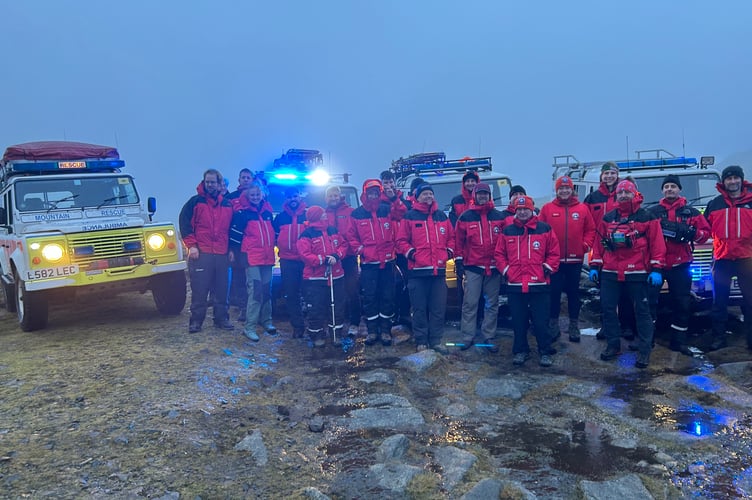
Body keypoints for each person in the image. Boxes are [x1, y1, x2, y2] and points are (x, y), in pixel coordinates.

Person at [589, 180, 666, 368]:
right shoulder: (608, 218)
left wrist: (656, 269)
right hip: (610, 272)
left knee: (642, 312)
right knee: (608, 309)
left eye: (627, 192)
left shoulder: (647, 217)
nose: (623, 195)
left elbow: (657, 244)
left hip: (638, 272)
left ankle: (645, 350)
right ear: (616, 196)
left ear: (635, 194)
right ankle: (613, 345)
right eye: (620, 192)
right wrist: (594, 265)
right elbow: (599, 244)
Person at [646, 174, 711, 354]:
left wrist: (691, 232)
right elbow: (643, 233)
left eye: (673, 186)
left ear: (679, 189)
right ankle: (647, 339)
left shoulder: (692, 213)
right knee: (650, 302)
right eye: (666, 186)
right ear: (662, 190)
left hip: (681, 265)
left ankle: (679, 342)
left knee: (682, 304)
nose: (669, 189)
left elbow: (705, 234)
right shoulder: (652, 212)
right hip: (656, 265)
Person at [494, 195, 560, 367]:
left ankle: (545, 351)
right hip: (515, 284)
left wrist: (547, 268)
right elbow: (499, 254)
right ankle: (521, 350)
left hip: (539, 284)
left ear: (532, 210)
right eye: (519, 209)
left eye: (526, 209)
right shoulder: (507, 231)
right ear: (515, 211)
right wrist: (506, 270)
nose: (523, 212)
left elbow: (554, 252)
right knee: (518, 320)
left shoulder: (544, 228)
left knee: (541, 321)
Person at [396, 183, 455, 353]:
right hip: (417, 272)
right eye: (424, 194)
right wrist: (412, 254)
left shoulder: (441, 216)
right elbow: (401, 241)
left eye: (430, 194)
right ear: (417, 197)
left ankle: (436, 340)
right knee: (419, 308)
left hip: (438, 271)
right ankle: (421, 340)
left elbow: (451, 238)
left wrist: (448, 253)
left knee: (438, 308)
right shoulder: (409, 216)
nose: (428, 197)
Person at [539, 175, 596, 343]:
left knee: (573, 293)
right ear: (557, 191)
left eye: (567, 188)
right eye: (561, 189)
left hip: (574, 260)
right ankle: (553, 325)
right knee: (554, 293)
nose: (564, 191)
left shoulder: (582, 209)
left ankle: (573, 325)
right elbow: (540, 231)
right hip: (554, 261)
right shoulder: (547, 209)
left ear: (572, 190)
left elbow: (591, 230)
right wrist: (545, 253)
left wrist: (584, 246)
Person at [179, 169, 235, 333]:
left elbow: (231, 229)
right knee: (199, 290)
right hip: (201, 253)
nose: (210, 184)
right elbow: (185, 224)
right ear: (204, 182)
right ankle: (196, 321)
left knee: (222, 289)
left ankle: (221, 319)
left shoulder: (227, 205)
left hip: (222, 253)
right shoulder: (194, 202)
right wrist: (192, 246)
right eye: (207, 182)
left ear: (219, 184)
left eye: (213, 182)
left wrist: (231, 249)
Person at [704, 165, 752, 351]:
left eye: (735, 178)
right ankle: (719, 339)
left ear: (741, 180)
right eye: (729, 179)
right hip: (722, 259)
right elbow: (704, 230)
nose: (732, 182)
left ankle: (750, 340)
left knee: (749, 302)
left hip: (746, 260)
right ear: (723, 182)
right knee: (719, 303)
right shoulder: (715, 204)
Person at [454, 183, 506, 352]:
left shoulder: (499, 216)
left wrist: (504, 263)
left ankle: (488, 335)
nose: (483, 196)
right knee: (470, 303)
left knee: (492, 304)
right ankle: (467, 336)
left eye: (486, 194)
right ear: (474, 195)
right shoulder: (465, 217)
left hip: (493, 268)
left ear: (490, 196)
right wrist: (459, 261)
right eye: (480, 194)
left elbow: (505, 242)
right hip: (473, 266)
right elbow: (458, 242)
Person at [348, 179, 398, 346]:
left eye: (376, 192)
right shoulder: (357, 214)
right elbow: (351, 237)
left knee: (387, 296)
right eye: (370, 192)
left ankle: (385, 330)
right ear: (365, 194)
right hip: (369, 263)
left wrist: (393, 198)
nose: (373, 195)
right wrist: (361, 250)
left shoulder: (387, 208)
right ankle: (372, 331)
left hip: (388, 261)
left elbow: (400, 214)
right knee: (370, 297)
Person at [228, 182, 276, 341]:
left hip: (267, 258)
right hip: (252, 258)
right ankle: (250, 326)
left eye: (258, 194)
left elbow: (274, 234)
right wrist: (235, 254)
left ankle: (266, 320)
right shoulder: (243, 214)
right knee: (255, 291)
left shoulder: (267, 212)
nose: (255, 197)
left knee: (266, 291)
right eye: (252, 195)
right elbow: (235, 237)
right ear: (248, 196)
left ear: (262, 195)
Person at [297, 206, 347, 347]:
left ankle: (336, 334)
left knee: (337, 306)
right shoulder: (307, 234)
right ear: (316, 217)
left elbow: (343, 245)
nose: (326, 216)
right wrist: (323, 259)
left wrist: (337, 256)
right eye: (322, 214)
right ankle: (317, 335)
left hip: (336, 275)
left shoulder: (332, 230)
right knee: (316, 307)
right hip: (315, 278)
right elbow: (305, 255)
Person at [325, 186, 360, 336]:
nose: (333, 198)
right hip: (332, 259)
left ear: (340, 196)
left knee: (352, 290)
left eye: (335, 195)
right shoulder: (323, 214)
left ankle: (355, 323)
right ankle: (335, 322)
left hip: (349, 257)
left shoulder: (351, 212)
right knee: (333, 291)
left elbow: (357, 232)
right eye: (330, 196)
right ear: (326, 198)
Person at [272, 187, 307, 338]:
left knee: (310, 294)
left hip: (306, 261)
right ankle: (298, 326)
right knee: (291, 295)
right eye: (289, 197)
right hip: (286, 261)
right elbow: (273, 237)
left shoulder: (308, 216)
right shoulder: (279, 218)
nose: (293, 199)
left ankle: (314, 326)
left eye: (295, 195)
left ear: (300, 197)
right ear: (285, 199)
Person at [226, 168, 255, 319]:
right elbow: (226, 222)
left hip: (253, 246)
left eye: (248, 177)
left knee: (253, 279)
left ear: (252, 179)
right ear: (239, 180)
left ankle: (254, 308)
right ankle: (243, 308)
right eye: (243, 177)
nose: (245, 179)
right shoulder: (231, 198)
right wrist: (230, 247)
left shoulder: (257, 197)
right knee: (239, 278)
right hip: (237, 244)